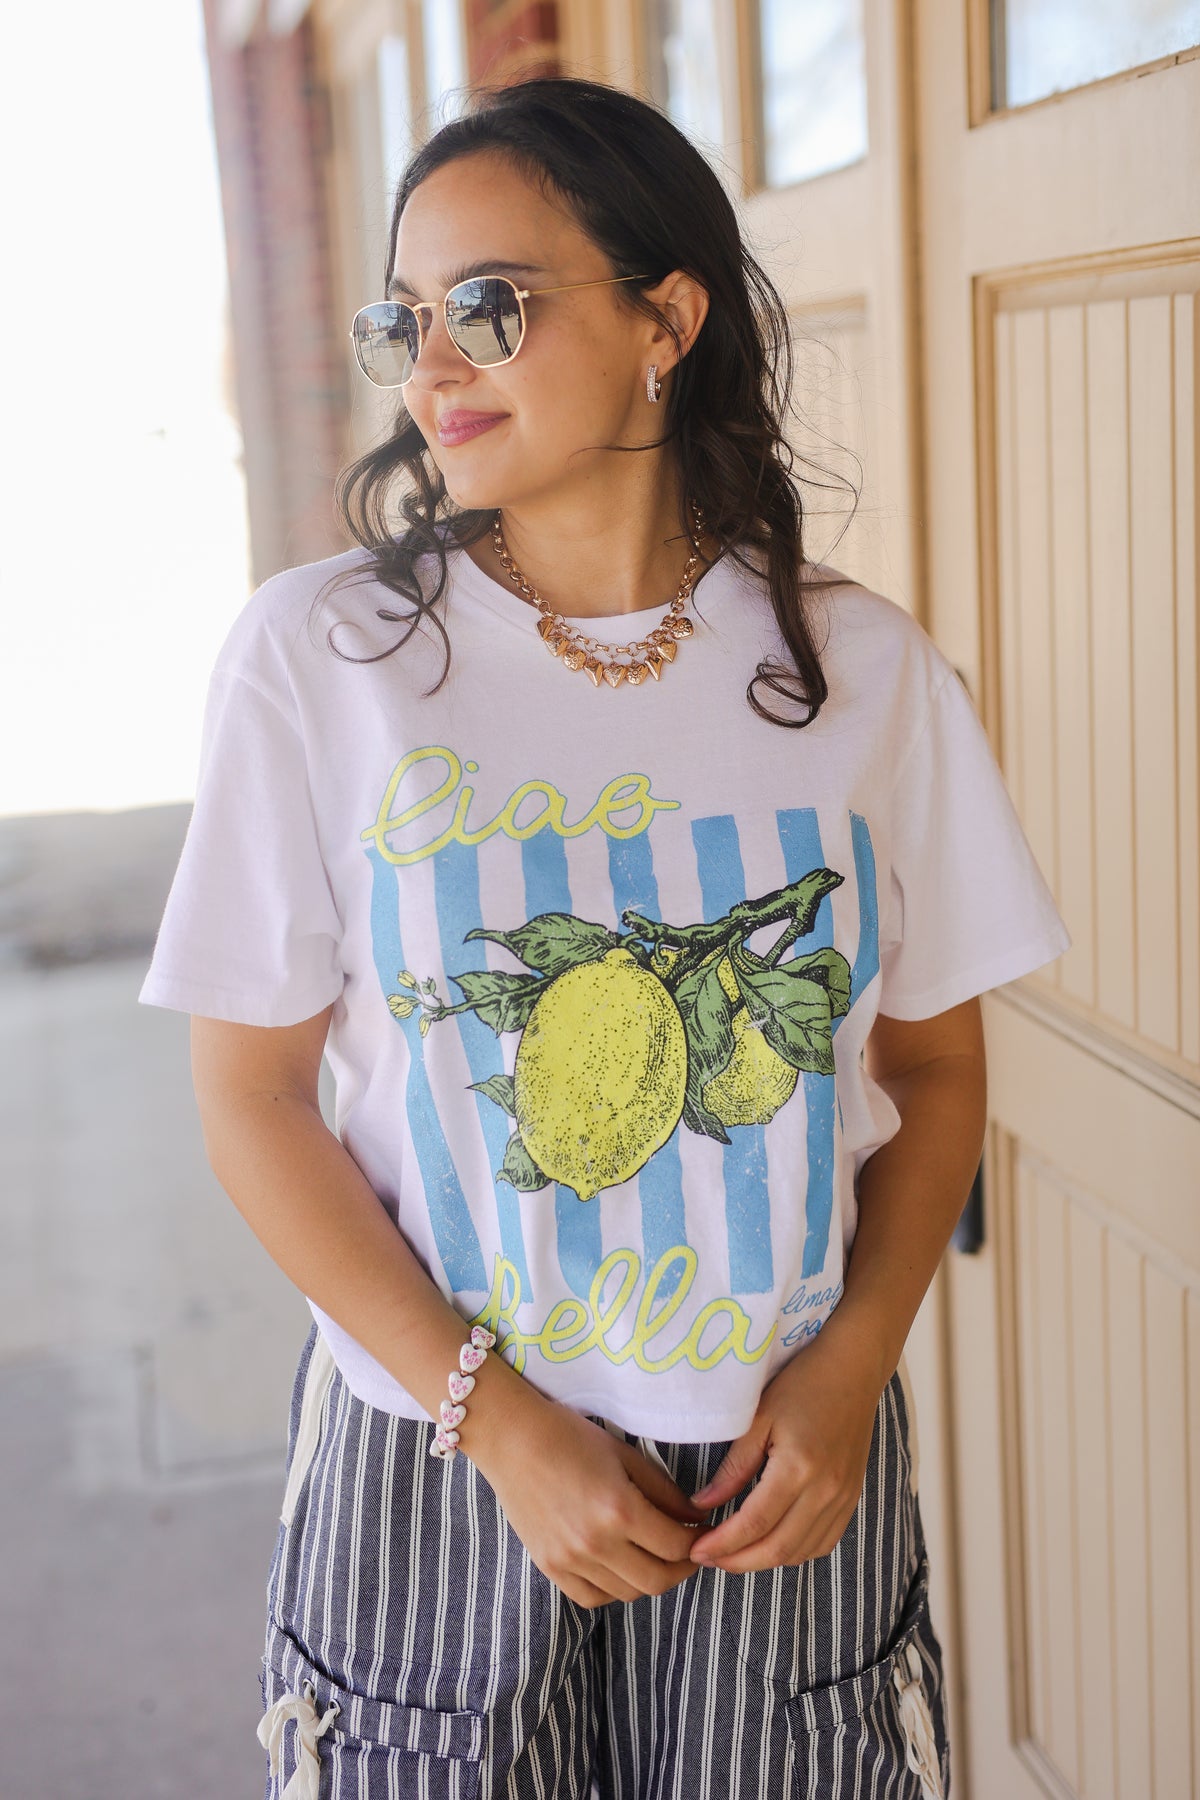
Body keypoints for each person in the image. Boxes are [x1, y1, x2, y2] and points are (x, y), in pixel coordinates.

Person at [140, 76, 1069, 1800]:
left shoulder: (859, 674)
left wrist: (855, 1364)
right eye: (400, 321)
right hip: (439, 1450)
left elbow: (935, 1068)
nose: (433, 363)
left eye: (488, 304)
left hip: (781, 1472)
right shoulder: (325, 660)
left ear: (667, 316)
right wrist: (496, 1420)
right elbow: (252, 1102)